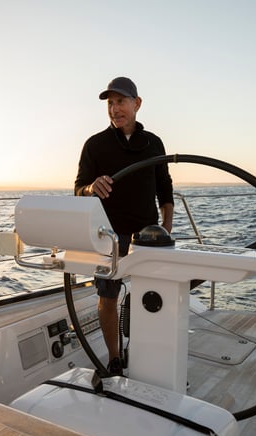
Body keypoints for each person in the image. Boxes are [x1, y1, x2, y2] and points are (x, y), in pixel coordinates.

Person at [74, 76, 174, 375]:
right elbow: (78, 189)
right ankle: (115, 358)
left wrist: (166, 231)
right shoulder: (95, 145)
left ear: (137, 104)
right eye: (110, 103)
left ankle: (149, 354)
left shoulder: (154, 143)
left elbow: (165, 190)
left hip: (147, 236)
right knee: (108, 297)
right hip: (108, 236)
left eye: (121, 102)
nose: (115, 109)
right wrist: (92, 188)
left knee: (153, 296)